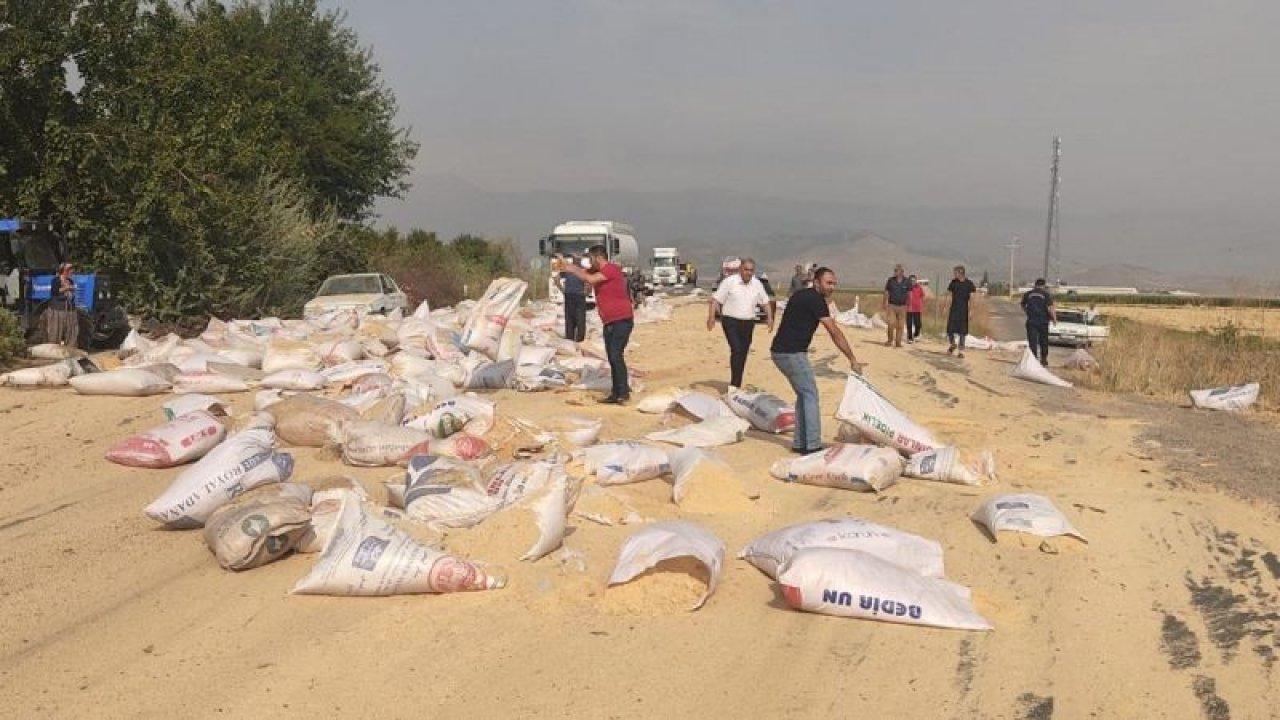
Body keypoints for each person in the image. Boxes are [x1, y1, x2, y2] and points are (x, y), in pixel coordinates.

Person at [771, 267, 865, 455]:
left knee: (803, 395)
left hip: (779, 352)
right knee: (811, 395)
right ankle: (812, 446)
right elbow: (834, 331)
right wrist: (852, 359)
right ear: (816, 282)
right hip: (792, 353)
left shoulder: (801, 295)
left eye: (834, 283)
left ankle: (800, 443)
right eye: (828, 283)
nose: (832, 287)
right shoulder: (815, 300)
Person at [561, 245, 634, 404]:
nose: (590, 262)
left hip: (621, 319)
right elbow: (584, 273)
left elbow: (590, 279)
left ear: (599, 257)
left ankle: (623, 392)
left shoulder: (611, 269)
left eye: (591, 259)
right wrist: (570, 265)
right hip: (609, 321)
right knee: (612, 357)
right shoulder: (597, 271)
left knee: (616, 356)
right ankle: (616, 392)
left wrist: (574, 269)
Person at [708, 257, 773, 389]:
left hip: (748, 323)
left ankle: (737, 382)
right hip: (730, 322)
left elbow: (765, 302)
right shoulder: (729, 282)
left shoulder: (757, 284)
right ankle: (734, 385)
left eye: (751, 270)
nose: (748, 272)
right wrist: (711, 318)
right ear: (740, 269)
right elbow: (715, 300)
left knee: (743, 352)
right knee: (736, 349)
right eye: (746, 269)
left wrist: (770, 318)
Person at [43, 262, 79, 348]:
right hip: (57, 310)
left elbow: (71, 294)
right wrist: (67, 288)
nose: (72, 273)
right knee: (55, 330)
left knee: (72, 331)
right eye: (70, 271)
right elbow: (55, 292)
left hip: (70, 309)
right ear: (64, 271)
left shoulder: (70, 281)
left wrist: (71, 291)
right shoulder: (56, 280)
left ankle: (70, 349)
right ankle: (53, 349)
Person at [1021, 278, 1057, 367]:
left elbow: (1022, 304)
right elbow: (1051, 308)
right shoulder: (1046, 294)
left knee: (1032, 341)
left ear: (1035, 284)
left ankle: (1034, 360)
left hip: (1031, 321)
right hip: (1043, 321)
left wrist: (1027, 311)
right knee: (1043, 341)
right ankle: (1044, 360)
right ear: (1043, 285)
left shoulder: (1028, 294)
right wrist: (1054, 319)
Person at [945, 266, 978, 358]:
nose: (954, 274)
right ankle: (952, 344)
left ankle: (961, 351)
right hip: (953, 309)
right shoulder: (953, 283)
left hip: (964, 310)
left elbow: (972, 298)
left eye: (955, 273)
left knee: (962, 332)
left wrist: (971, 310)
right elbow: (948, 295)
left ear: (961, 273)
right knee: (950, 330)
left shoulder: (969, 284)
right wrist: (945, 307)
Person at [554, 254, 587, 342]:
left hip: (569, 295)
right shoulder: (583, 270)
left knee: (569, 319)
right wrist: (586, 292)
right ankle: (580, 341)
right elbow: (588, 283)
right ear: (580, 260)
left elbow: (556, 279)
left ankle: (570, 340)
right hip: (579, 296)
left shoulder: (567, 269)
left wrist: (562, 290)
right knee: (580, 319)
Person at [882, 264, 911, 348]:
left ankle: (898, 342)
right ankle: (890, 340)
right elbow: (887, 291)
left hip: (902, 306)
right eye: (895, 270)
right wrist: (884, 302)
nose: (895, 272)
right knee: (891, 323)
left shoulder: (907, 281)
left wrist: (909, 304)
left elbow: (909, 293)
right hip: (892, 306)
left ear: (902, 272)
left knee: (900, 325)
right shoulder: (891, 280)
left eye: (896, 271)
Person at [906, 275, 925, 343]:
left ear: (916, 281)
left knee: (918, 324)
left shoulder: (919, 287)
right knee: (909, 324)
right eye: (911, 280)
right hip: (909, 309)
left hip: (917, 309)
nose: (912, 282)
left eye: (914, 280)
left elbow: (922, 296)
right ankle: (910, 338)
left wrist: (921, 304)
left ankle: (916, 335)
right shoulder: (907, 288)